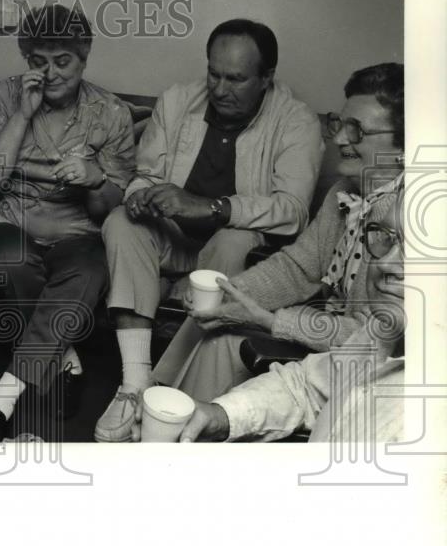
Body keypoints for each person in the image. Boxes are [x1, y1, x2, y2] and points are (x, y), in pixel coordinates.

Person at [94, 18, 324, 442]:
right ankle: (134, 384)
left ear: (266, 78)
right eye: (213, 74)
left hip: (229, 249)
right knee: (122, 221)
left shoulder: (297, 122)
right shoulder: (178, 100)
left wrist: (214, 208)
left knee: (232, 239)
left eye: (236, 79)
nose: (220, 89)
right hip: (172, 238)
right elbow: (145, 174)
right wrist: (141, 195)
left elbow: (293, 211)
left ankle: (170, 394)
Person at [162, 62, 405, 407]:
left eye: (358, 130)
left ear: (404, 146)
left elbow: (376, 341)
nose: (339, 138)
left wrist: (274, 321)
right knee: (217, 327)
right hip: (324, 338)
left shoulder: (407, 217)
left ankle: (182, 429)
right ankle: (172, 420)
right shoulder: (344, 192)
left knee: (221, 341)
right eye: (339, 123)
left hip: (370, 376)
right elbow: (298, 269)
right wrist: (233, 295)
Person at [0, 4, 136, 441]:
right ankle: (65, 356)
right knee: (9, 260)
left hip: (77, 234)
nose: (51, 73)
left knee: (90, 270)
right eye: (39, 61)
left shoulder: (112, 113)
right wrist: (22, 115)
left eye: (63, 62)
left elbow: (108, 208)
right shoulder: (4, 96)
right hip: (13, 224)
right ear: (27, 60)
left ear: (84, 59)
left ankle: (4, 393)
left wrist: (97, 177)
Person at [174, 189, 406, 443]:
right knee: (219, 336)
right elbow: (310, 386)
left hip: (321, 335)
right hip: (325, 344)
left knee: (227, 343)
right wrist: (222, 416)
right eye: (386, 240)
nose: (385, 263)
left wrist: (272, 321)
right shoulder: (380, 332)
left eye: (415, 250)